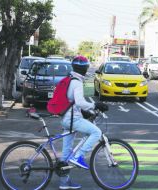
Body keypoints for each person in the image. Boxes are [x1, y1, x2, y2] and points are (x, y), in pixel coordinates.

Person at [59, 55, 108, 189]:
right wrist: (95, 105)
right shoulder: (77, 82)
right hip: (72, 119)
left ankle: (64, 183)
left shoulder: (70, 79)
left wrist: (86, 112)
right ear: (84, 69)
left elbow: (73, 102)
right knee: (96, 132)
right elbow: (80, 102)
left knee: (66, 152)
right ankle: (79, 156)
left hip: (65, 118)